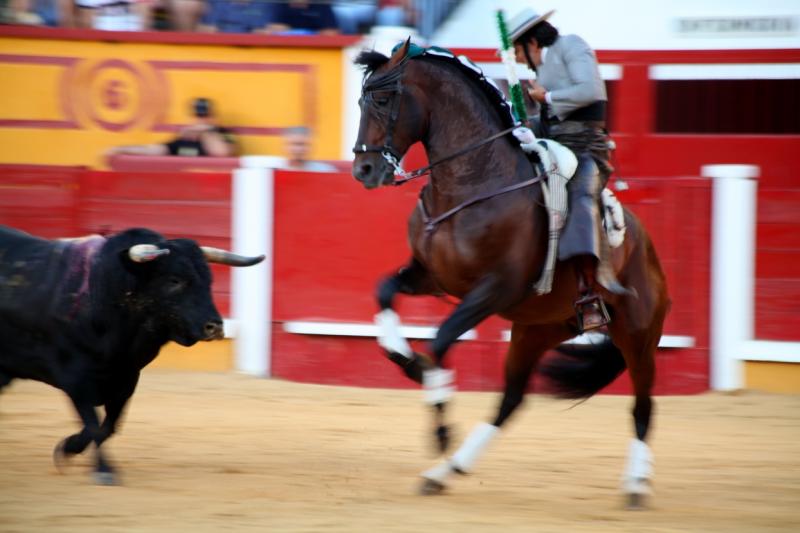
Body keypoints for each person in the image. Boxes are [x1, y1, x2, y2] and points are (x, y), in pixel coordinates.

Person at [508, 7, 620, 332]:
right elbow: (547, 119)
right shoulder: (540, 71)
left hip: (587, 146)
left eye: (516, 50)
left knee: (581, 195)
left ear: (531, 42)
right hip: (552, 143)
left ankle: (588, 295)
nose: (516, 58)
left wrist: (547, 96)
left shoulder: (572, 45)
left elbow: (592, 91)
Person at [106, 97, 236, 159]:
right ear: (193, 117)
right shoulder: (184, 139)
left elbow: (222, 153)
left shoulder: (222, 133)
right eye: (199, 115)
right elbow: (156, 150)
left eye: (205, 115)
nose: (202, 119)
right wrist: (120, 149)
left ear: (213, 117)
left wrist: (205, 132)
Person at [266, 0, 339, 36]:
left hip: (316, 48)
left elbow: (332, 32)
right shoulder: (280, 5)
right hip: (283, 48)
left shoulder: (321, 5)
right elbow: (269, 30)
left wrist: (309, 33)